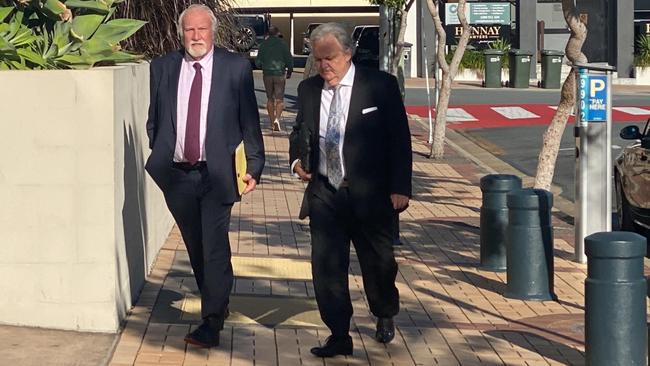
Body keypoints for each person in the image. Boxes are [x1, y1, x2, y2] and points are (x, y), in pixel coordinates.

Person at [288, 23, 412, 358]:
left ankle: (384, 310)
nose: (324, 66)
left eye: (330, 58)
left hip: (372, 194)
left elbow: (400, 138)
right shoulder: (309, 89)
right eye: (318, 60)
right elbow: (300, 132)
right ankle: (339, 333)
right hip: (326, 193)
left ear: (348, 54)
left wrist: (401, 186)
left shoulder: (380, 86)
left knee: (379, 263)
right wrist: (297, 161)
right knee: (327, 267)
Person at [145, 4, 265, 348]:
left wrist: (254, 166)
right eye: (189, 31)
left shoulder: (235, 68)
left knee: (213, 246)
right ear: (181, 33)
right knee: (196, 246)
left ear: (213, 31)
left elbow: (249, 122)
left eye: (202, 30)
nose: (196, 37)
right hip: (177, 174)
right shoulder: (163, 67)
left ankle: (211, 320)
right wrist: (161, 149)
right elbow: (155, 118)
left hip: (218, 173)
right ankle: (218, 302)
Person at [255, 25, 293, 131]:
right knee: (279, 99)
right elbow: (289, 59)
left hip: (267, 74)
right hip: (280, 74)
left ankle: (272, 122)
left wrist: (262, 65)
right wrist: (289, 70)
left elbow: (258, 62)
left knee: (269, 98)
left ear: (268, 34)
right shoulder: (283, 44)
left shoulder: (263, 45)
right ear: (277, 34)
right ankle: (277, 119)